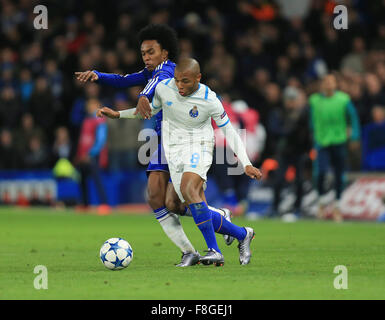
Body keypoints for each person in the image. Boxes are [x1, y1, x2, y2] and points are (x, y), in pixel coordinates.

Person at [75, 24, 232, 267]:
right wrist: (99, 75)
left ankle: (219, 226)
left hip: (183, 141)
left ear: (165, 53)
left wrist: (143, 97)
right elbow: (124, 80)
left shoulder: (168, 71)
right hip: (164, 142)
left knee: (179, 200)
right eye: (143, 53)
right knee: (159, 198)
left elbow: (153, 86)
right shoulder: (151, 71)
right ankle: (192, 248)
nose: (146, 57)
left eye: (151, 52)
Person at [98, 58, 263, 266]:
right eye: (177, 80)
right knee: (173, 204)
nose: (180, 86)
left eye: (185, 81)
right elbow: (150, 110)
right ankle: (242, 234)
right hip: (173, 150)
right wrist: (118, 115)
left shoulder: (209, 98)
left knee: (188, 189)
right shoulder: (164, 88)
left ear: (198, 78)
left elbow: (229, 131)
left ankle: (214, 250)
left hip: (199, 147)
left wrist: (245, 163)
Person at [309, 74, 361, 221]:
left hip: (339, 141)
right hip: (322, 142)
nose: (328, 85)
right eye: (326, 82)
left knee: (339, 174)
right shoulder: (315, 101)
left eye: (331, 82)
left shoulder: (344, 100)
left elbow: (354, 119)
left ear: (336, 84)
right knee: (320, 173)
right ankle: (320, 202)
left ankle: (337, 206)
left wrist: (355, 136)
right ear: (322, 85)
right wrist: (312, 136)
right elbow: (312, 121)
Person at [270, 86, 312, 218]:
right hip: (284, 152)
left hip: (299, 152)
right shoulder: (278, 113)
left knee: (299, 181)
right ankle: (275, 207)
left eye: (293, 100)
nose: (291, 103)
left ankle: (297, 208)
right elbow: (274, 129)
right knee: (278, 180)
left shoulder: (303, 114)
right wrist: (290, 131)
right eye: (289, 100)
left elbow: (307, 133)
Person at [74, 98, 110, 215]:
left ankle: (104, 204)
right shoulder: (86, 120)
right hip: (83, 156)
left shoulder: (100, 121)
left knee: (97, 179)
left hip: (93, 156)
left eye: (93, 105)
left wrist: (90, 154)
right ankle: (85, 204)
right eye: (89, 105)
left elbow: (101, 140)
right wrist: (80, 155)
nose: (90, 107)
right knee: (82, 179)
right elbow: (82, 140)